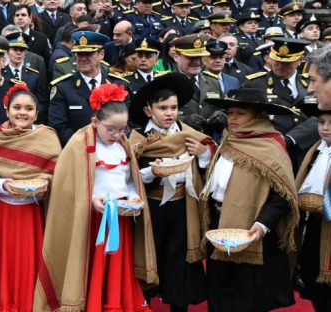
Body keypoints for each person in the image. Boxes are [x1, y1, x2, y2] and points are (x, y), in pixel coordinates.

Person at [35, 84, 158, 312]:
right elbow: (67, 185)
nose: (117, 135)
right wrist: (91, 199)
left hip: (120, 218)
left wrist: (133, 198)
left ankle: (116, 303)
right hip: (91, 220)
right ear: (95, 122)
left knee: (117, 268)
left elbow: (130, 180)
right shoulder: (78, 144)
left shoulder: (124, 145)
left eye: (122, 129)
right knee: (93, 267)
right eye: (111, 129)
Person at [201, 88, 299, 311]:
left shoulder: (271, 145)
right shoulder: (228, 139)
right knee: (220, 292)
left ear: (259, 116)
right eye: (230, 113)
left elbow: (282, 195)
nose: (232, 119)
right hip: (221, 225)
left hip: (254, 230)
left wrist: (263, 224)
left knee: (249, 295)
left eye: (240, 113)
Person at [126, 73, 214, 312]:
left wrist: (203, 154)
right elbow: (130, 174)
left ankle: (178, 304)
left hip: (183, 207)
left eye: (173, 107)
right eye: (162, 107)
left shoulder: (188, 133)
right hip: (152, 209)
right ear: (148, 111)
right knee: (152, 254)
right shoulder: (138, 138)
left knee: (179, 259)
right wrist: (152, 172)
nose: (169, 113)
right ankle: (145, 302)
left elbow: (209, 168)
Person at [0, 84, 61, 311]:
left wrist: (44, 183)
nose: (22, 113)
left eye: (29, 109)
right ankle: (2, 302)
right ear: (7, 110)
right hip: (3, 211)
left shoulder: (47, 137)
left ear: (37, 113)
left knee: (29, 261)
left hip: (32, 212)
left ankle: (30, 303)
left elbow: (56, 173)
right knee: (3, 261)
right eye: (17, 107)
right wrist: (2, 185)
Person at [49, 30, 131, 144]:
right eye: (79, 54)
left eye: (88, 53)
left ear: (101, 54)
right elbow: (58, 126)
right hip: (78, 150)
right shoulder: (63, 87)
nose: (82, 58)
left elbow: (128, 123)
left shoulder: (118, 85)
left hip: (113, 148)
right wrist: (86, 144)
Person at [293, 103, 331, 311]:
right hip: (314, 224)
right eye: (322, 122)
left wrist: (326, 205)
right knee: (312, 274)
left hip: (328, 221)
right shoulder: (316, 150)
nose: (325, 128)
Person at [243, 37, 310, 135]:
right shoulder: (255, 83)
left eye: (287, 63)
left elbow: (318, 115)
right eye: (277, 61)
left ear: (300, 60)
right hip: (269, 141)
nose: (281, 66)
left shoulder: (309, 83)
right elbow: (238, 109)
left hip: (305, 143)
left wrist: (294, 138)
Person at [169, 34, 225, 135]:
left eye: (199, 57)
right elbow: (156, 115)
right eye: (191, 57)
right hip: (178, 141)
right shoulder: (165, 83)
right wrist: (184, 119)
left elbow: (223, 108)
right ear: (176, 56)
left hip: (208, 142)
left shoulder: (213, 81)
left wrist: (221, 115)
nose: (196, 62)